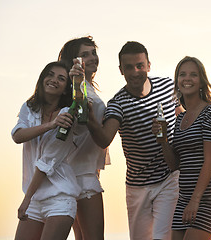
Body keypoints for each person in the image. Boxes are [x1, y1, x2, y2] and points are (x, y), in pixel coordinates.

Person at [83, 41, 180, 240]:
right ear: (121, 70)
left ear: (148, 66)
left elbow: (183, 115)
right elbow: (104, 139)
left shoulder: (168, 86)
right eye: (129, 67)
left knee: (164, 236)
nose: (135, 72)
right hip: (138, 185)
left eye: (140, 66)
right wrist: (91, 118)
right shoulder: (118, 104)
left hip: (169, 178)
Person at [152, 56, 211, 239]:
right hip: (185, 198)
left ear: (201, 81)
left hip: (209, 198)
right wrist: (162, 140)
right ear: (177, 81)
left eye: (193, 75)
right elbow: (175, 164)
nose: (187, 79)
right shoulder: (180, 119)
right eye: (182, 74)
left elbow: (209, 162)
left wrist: (195, 201)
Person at [12, 61, 81, 240]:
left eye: (61, 78)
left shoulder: (68, 114)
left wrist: (26, 199)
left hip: (59, 198)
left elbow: (46, 161)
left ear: (66, 88)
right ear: (42, 78)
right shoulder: (29, 107)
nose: (53, 80)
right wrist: (51, 125)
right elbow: (18, 136)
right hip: (35, 199)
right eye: (49, 74)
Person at [58, 36, 109, 240]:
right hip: (82, 174)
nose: (92, 58)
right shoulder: (72, 88)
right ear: (73, 61)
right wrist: (69, 81)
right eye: (84, 55)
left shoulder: (88, 86)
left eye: (93, 53)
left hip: (82, 170)